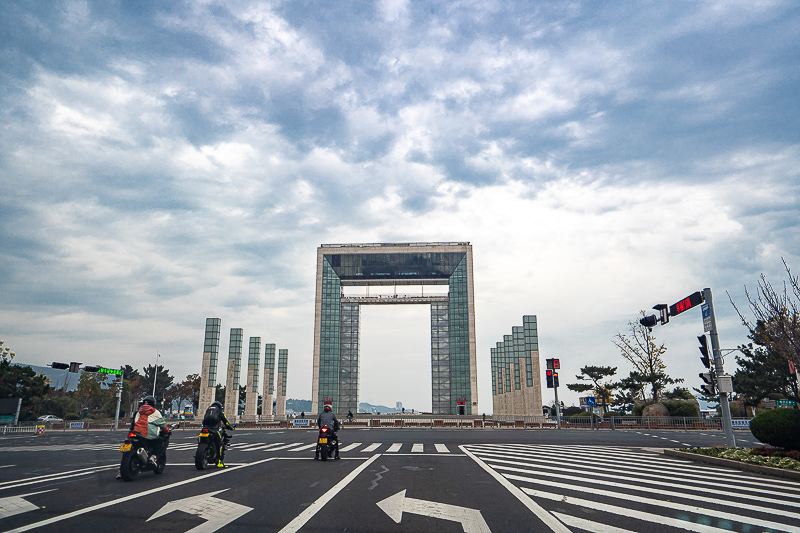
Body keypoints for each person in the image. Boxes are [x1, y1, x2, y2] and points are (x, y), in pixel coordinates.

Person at [117, 396, 168, 479]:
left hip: (134, 433)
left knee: (126, 451)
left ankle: (120, 471)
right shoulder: (155, 412)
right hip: (147, 435)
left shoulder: (138, 412)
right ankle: (153, 456)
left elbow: (133, 424)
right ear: (153, 404)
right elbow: (162, 424)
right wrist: (167, 431)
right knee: (159, 441)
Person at [203, 400, 234, 467]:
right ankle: (219, 461)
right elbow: (225, 421)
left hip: (205, 429)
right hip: (215, 430)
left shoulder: (208, 411)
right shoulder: (219, 412)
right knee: (220, 445)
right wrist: (229, 427)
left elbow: (204, 420)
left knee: (201, 440)